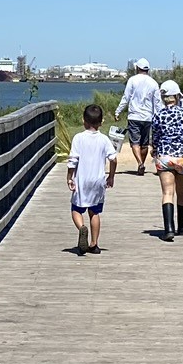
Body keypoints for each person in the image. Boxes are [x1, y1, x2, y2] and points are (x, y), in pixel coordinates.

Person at [151, 79, 183, 241]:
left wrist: (155, 150)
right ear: (177, 96)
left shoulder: (159, 114)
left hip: (164, 157)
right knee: (182, 193)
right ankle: (182, 226)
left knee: (167, 192)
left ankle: (169, 229)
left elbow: (156, 137)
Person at [66, 103, 118, 253]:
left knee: (76, 209)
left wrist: (70, 177)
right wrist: (111, 176)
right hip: (98, 181)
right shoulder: (104, 139)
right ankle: (94, 244)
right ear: (101, 122)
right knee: (94, 212)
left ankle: (82, 227)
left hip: (81, 180)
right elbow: (113, 159)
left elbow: (73, 160)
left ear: (84, 120)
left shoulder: (78, 138)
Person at [115, 59, 161, 174]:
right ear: (148, 69)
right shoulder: (154, 83)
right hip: (148, 117)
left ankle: (140, 163)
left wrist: (118, 111)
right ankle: (142, 164)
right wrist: (160, 117)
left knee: (135, 142)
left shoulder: (132, 80)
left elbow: (126, 98)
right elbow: (157, 103)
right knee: (144, 143)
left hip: (134, 116)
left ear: (137, 68)